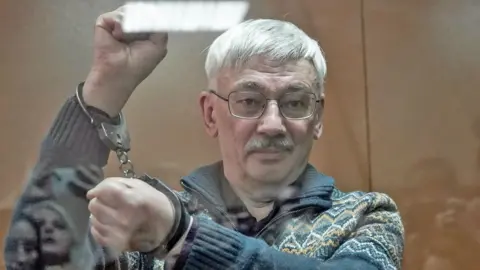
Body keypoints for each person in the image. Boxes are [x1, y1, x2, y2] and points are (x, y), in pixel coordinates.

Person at [4, 5, 404, 270]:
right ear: (211, 113)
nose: (272, 124)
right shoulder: (152, 216)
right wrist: (104, 89)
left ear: (317, 118)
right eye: (248, 101)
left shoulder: (366, 216)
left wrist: (183, 236)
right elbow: (34, 256)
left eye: (296, 103)